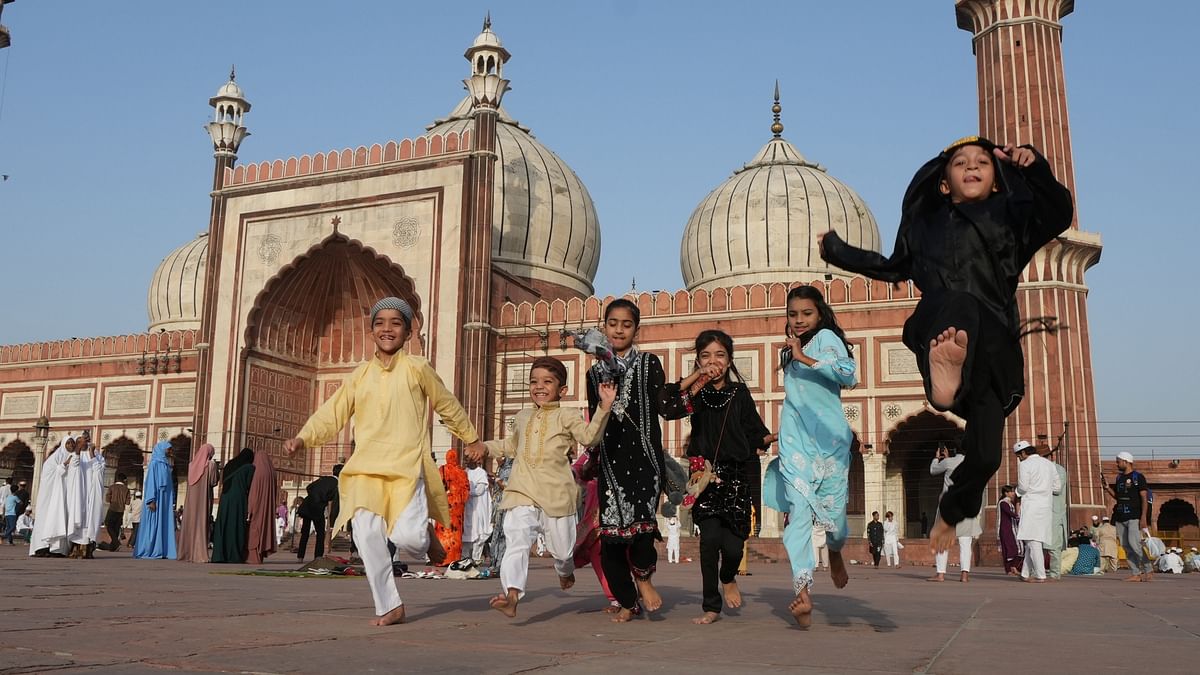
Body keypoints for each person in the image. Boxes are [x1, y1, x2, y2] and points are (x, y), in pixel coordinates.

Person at [819, 137, 1073, 555]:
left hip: (992, 349)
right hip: (942, 324)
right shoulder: (926, 229)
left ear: (997, 180)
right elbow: (891, 267)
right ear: (942, 181)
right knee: (960, 303)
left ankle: (951, 513)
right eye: (960, 162)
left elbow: (1059, 212)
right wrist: (836, 250)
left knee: (988, 454)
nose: (971, 167)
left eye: (982, 162)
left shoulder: (1011, 221)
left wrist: (1035, 166)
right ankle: (944, 380)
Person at [284, 296, 487, 627]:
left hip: (406, 467)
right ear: (371, 330)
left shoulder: (417, 368)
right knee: (365, 536)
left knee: (410, 539)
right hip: (365, 469)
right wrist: (304, 437)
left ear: (408, 332)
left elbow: (446, 404)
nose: (387, 329)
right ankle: (389, 604)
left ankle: (425, 535)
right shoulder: (360, 374)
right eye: (380, 323)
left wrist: (471, 438)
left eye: (396, 323)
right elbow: (331, 413)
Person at [473, 355, 614, 618]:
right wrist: (485, 447)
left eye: (547, 382)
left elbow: (589, 437)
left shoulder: (566, 415)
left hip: (557, 494)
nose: (539, 386)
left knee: (562, 551)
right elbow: (511, 446)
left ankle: (565, 571)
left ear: (561, 390)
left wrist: (604, 407)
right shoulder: (523, 416)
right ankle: (512, 594)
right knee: (516, 537)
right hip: (522, 489)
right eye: (534, 381)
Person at [662, 329, 773, 625]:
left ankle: (728, 577)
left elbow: (755, 432)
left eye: (719, 355)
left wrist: (774, 437)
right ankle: (711, 605)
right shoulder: (697, 396)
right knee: (709, 540)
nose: (713, 361)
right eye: (706, 356)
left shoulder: (739, 393)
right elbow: (668, 407)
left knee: (735, 546)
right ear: (698, 361)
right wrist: (696, 380)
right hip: (703, 477)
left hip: (736, 476)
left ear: (730, 359)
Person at [764, 285, 857, 627]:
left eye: (806, 313)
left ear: (819, 314)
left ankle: (834, 550)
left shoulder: (826, 339)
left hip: (829, 441)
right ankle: (803, 592)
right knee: (799, 514)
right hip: (795, 443)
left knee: (835, 515)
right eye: (793, 314)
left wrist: (804, 357)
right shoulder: (792, 350)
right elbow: (797, 399)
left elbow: (849, 374)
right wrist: (778, 433)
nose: (799, 320)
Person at [584, 298, 670, 623]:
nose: (619, 329)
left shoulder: (650, 364)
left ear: (636, 329)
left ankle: (645, 580)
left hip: (645, 459)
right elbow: (594, 418)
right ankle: (627, 599)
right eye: (613, 323)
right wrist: (589, 458)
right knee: (611, 542)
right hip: (610, 461)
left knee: (643, 530)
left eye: (626, 324)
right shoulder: (595, 374)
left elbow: (664, 403)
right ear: (604, 326)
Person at [571, 449, 618, 613]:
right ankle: (615, 598)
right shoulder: (591, 451)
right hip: (595, 510)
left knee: (626, 550)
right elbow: (576, 468)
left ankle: (641, 585)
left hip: (621, 504)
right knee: (596, 552)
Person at [929, 442, 982, 583]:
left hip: (950, 505)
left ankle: (940, 574)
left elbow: (933, 470)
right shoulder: (974, 464)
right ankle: (964, 575)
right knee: (965, 543)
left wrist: (938, 458)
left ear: (953, 450)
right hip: (966, 505)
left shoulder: (948, 462)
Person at [1100, 451, 1153, 582]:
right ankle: (1135, 573)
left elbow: (1144, 498)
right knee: (1126, 546)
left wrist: (1144, 517)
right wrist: (1107, 488)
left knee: (1135, 545)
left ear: (1126, 462)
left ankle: (1148, 569)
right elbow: (1118, 497)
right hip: (1120, 516)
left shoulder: (1138, 477)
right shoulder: (1119, 478)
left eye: (1118, 461)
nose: (1117, 464)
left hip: (1134, 516)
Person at [1014, 440, 1059, 582]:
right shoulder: (1049, 464)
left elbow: (1023, 487)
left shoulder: (1025, 464)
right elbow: (1057, 488)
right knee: (1032, 540)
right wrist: (1043, 490)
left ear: (1023, 453)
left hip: (1031, 505)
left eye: (1018, 456)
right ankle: (1025, 574)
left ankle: (1040, 575)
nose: (1019, 458)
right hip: (1045, 506)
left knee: (1033, 542)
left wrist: (1017, 493)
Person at [29, 435, 72, 557]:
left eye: (72, 443)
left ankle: (57, 549)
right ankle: (41, 548)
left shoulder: (72, 457)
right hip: (49, 497)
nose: (71, 445)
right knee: (45, 520)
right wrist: (64, 465)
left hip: (62, 497)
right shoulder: (53, 459)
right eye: (68, 443)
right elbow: (49, 475)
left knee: (60, 519)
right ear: (63, 444)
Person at [133, 440, 177, 559]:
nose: (170, 451)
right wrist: (151, 500)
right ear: (162, 450)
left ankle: (162, 549)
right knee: (153, 524)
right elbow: (151, 482)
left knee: (163, 524)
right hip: (156, 499)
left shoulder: (166, 464)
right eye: (168, 449)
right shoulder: (155, 464)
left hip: (164, 501)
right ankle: (149, 549)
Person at [211, 448, 255, 563]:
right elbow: (250, 486)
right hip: (238, 499)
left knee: (224, 525)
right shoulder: (249, 467)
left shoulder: (229, 464)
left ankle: (219, 555)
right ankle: (233, 555)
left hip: (225, 498)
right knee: (235, 525)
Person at [177, 443, 219, 563]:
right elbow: (214, 481)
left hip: (191, 501)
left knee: (190, 523)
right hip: (203, 499)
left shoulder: (191, 465)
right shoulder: (210, 465)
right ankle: (199, 554)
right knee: (202, 523)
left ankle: (186, 552)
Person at [296, 466, 339, 561]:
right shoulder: (337, 484)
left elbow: (309, 487)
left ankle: (300, 557)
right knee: (320, 533)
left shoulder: (324, 478)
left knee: (305, 533)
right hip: (318, 508)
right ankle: (318, 556)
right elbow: (335, 505)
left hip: (307, 505)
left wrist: (314, 496)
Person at [435, 449, 469, 564]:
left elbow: (439, 486)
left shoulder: (443, 469)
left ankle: (443, 559)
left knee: (444, 530)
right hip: (458, 506)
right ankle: (454, 559)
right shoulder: (462, 472)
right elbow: (466, 490)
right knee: (456, 532)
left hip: (446, 503)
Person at [245, 449, 278, 565]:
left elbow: (253, 493)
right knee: (263, 530)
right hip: (267, 508)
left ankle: (253, 557)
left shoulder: (257, 471)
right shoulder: (272, 472)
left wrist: (250, 509)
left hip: (257, 507)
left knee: (254, 531)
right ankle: (260, 556)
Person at [1044, 444, 1069, 580]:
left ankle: (1054, 574)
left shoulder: (1058, 470)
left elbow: (1057, 489)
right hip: (1042, 512)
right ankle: (1036, 572)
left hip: (1055, 513)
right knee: (1036, 545)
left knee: (1054, 547)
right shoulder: (1041, 469)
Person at [462, 456, 493, 565]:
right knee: (466, 534)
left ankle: (476, 559)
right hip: (467, 508)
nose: (465, 461)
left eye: (468, 459)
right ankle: (464, 560)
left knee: (478, 534)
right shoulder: (464, 472)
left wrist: (465, 491)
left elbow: (479, 491)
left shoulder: (481, 473)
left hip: (478, 509)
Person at [99, 471, 131, 552]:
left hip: (113, 508)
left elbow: (107, 498)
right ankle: (113, 546)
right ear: (124, 480)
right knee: (116, 527)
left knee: (108, 524)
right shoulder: (126, 489)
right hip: (121, 510)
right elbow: (128, 502)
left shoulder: (112, 487)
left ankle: (116, 543)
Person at [997, 485, 1023, 575]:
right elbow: (1009, 513)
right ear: (1006, 493)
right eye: (1011, 492)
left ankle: (1013, 567)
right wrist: (1018, 517)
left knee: (1016, 548)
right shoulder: (1003, 503)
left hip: (1012, 529)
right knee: (1008, 549)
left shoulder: (1010, 503)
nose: (1013, 493)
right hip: (1006, 529)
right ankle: (1009, 569)